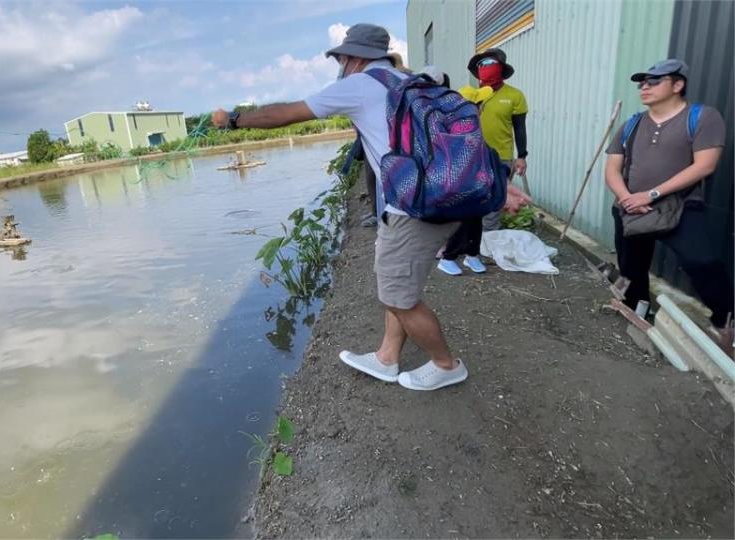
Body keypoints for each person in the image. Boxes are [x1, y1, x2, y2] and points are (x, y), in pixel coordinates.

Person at [211, 24, 528, 391]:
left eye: (342, 57)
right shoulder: (414, 80)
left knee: (397, 295)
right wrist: (497, 185)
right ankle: (387, 357)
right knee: (397, 283)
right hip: (438, 197)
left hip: (412, 209)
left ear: (354, 56)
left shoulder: (361, 85)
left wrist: (232, 119)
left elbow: (284, 113)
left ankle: (445, 364)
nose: (341, 63)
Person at [603, 59, 732, 343]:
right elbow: (612, 169)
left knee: (703, 262)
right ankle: (638, 309)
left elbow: (704, 166)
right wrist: (626, 198)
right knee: (632, 266)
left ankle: (724, 322)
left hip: (680, 206)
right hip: (629, 209)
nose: (644, 87)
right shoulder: (632, 123)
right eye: (642, 83)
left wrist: (650, 194)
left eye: (653, 81)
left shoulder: (702, 117)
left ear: (678, 85)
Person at [437, 48, 529, 276]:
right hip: (469, 159)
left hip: (501, 157)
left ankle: (480, 251)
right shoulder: (467, 95)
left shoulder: (515, 96)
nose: (486, 67)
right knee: (468, 206)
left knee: (492, 206)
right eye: (483, 63)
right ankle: (454, 252)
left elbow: (520, 128)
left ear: (502, 69)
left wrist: (522, 155)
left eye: (492, 63)